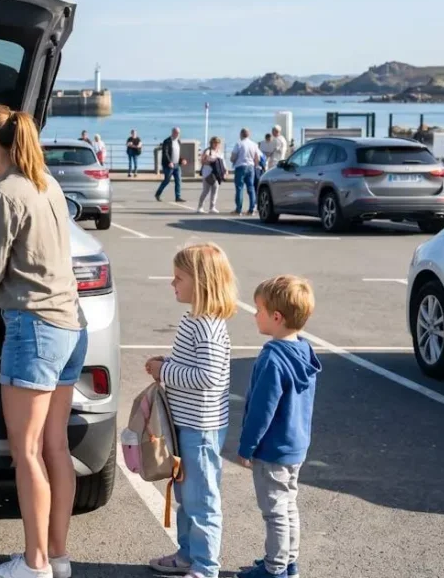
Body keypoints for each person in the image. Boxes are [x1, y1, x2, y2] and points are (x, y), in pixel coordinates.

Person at [0, 103, 88, 578]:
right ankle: (57, 556)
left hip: (34, 330)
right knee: (56, 446)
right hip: (72, 326)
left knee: (26, 451)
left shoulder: (2, 195)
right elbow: (30, 248)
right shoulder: (46, 183)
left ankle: (33, 565)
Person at [145, 242, 237, 578]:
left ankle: (205, 566)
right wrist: (167, 363)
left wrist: (163, 372)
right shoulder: (195, 319)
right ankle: (187, 554)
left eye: (178, 277)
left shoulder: (207, 326)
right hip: (187, 425)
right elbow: (193, 365)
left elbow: (209, 377)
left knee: (202, 500)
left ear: (201, 282)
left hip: (201, 429)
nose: (173, 283)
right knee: (187, 494)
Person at [237, 276, 321, 578]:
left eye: (258, 309)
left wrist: (247, 446)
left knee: (274, 511)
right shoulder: (303, 351)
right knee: (288, 506)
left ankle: (274, 570)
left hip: (271, 450)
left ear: (276, 317)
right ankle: (286, 561)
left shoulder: (273, 358)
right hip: (294, 445)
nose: (253, 313)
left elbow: (262, 410)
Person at [230, 129, 261, 216]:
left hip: (240, 166)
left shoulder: (239, 144)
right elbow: (257, 158)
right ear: (248, 135)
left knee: (239, 188)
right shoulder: (254, 144)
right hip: (251, 167)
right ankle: (251, 209)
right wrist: (255, 166)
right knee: (251, 188)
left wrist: (233, 160)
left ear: (241, 134)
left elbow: (233, 157)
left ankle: (238, 209)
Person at [155, 127, 185, 203]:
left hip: (177, 165)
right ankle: (158, 194)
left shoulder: (178, 141)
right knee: (167, 180)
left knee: (178, 180)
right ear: (172, 132)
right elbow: (165, 153)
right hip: (168, 165)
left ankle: (178, 197)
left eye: (178, 133)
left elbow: (178, 154)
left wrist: (182, 160)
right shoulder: (167, 141)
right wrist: (169, 162)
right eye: (176, 132)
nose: (177, 134)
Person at [197, 137, 223, 214]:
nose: (216, 144)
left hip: (216, 174)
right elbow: (202, 160)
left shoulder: (220, 152)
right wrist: (210, 163)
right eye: (215, 143)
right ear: (211, 143)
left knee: (215, 190)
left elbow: (222, 162)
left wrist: (225, 170)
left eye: (218, 143)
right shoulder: (208, 151)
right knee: (206, 191)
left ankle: (212, 207)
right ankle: (200, 206)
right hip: (208, 173)